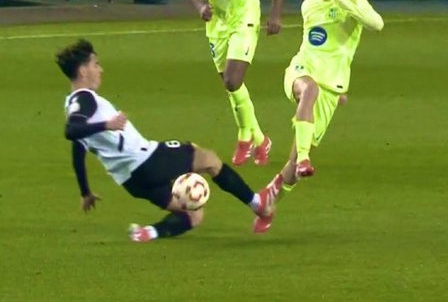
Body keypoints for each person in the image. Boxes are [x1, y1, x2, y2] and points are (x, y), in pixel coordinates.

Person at [56, 39, 280, 241]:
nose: (100, 70)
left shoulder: (73, 105)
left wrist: (85, 192)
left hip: (130, 180)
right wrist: (108, 124)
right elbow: (71, 130)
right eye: (95, 64)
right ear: (83, 71)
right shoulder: (85, 99)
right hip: (147, 161)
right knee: (209, 159)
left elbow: (78, 148)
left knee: (193, 215)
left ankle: (147, 233)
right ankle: (257, 204)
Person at [254, 0, 384, 227]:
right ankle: (304, 158)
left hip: (330, 89)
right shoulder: (308, 5)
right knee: (309, 90)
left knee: (291, 170)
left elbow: (376, 24)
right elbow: (315, 47)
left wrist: (341, 0)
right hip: (301, 71)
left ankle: (268, 201)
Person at [183, 0, 285, 167]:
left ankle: (243, 137)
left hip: (245, 22)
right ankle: (260, 138)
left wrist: (275, 14)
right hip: (217, 26)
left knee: (231, 81)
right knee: (233, 88)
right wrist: (199, 5)